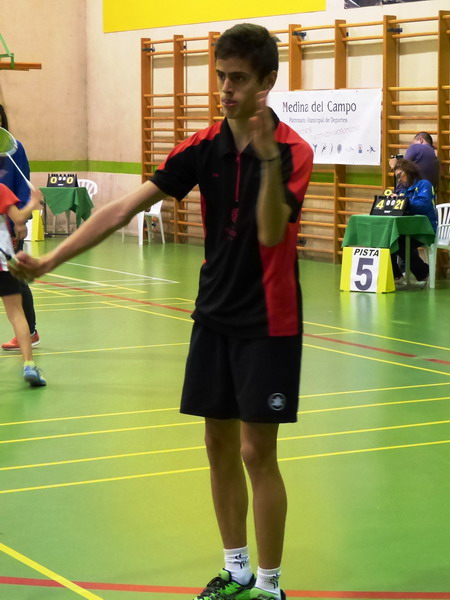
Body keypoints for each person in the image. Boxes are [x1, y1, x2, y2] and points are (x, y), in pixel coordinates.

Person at [12, 23, 313, 600]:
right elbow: (123, 209)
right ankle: (238, 571)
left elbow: (274, 233)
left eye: (239, 79)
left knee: (257, 450)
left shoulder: (296, 152)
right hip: (214, 315)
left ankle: (271, 588)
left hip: (269, 322)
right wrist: (52, 261)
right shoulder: (201, 147)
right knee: (218, 444)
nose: (225, 89)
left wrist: (270, 163)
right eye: (221, 77)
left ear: (268, 82)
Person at [0, 105, 40, 351]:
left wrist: (21, 221)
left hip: (8, 225)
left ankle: (31, 331)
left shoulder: (14, 149)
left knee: (16, 280)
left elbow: (23, 186)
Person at [0, 183, 46, 386]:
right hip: (3, 263)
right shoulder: (1, 189)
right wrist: (34, 202)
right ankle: (29, 364)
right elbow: (18, 218)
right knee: (17, 314)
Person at [390, 159, 437, 287]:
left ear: (409, 172)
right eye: (397, 177)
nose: (399, 180)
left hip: (425, 229)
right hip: (407, 229)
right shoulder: (403, 189)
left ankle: (422, 271)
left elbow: (423, 205)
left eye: (400, 175)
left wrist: (404, 201)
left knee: (399, 241)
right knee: (390, 238)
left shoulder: (424, 185)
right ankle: (396, 275)